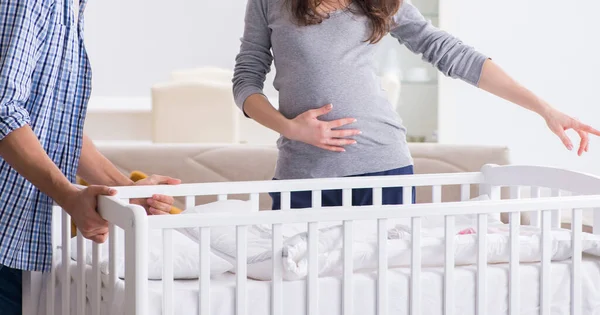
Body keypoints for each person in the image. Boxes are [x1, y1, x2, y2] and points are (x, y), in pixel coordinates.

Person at [232, 0, 600, 210]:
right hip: (303, 173)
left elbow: (452, 54)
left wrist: (544, 108)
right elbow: (246, 78)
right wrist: (291, 127)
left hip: (383, 166)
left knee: (385, 291)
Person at [0, 0, 180, 313]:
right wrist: (68, 194)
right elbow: (3, 111)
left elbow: (53, 123)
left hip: (14, 238)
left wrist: (125, 191)